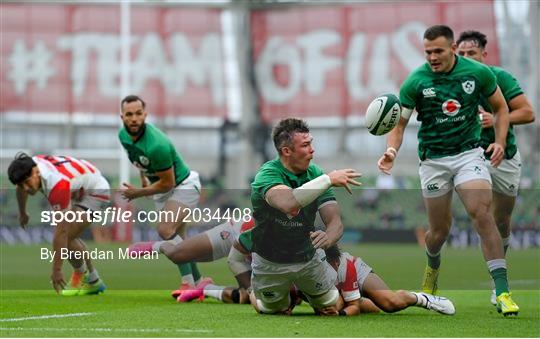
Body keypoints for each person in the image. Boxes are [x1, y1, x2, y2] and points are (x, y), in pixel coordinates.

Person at [377, 25, 518, 316]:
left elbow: (501, 108)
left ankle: (502, 292)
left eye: (438, 51)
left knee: (481, 213)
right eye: (428, 52)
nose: (432, 57)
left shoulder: (477, 73)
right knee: (439, 231)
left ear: (452, 49)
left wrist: (501, 142)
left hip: (469, 154)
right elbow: (399, 125)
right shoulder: (416, 81)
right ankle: (432, 268)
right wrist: (391, 151)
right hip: (433, 161)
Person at [249, 117, 361, 315]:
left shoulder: (315, 174)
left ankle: (301, 293)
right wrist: (327, 179)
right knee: (275, 310)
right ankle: (256, 294)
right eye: (306, 145)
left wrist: (328, 238)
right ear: (287, 151)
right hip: (270, 261)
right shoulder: (267, 174)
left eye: (311, 143)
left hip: (306, 259)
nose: (312, 150)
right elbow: (288, 203)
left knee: (331, 305)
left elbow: (335, 222)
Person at [456, 30, 536, 306]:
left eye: (471, 53)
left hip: (505, 157)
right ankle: (499, 284)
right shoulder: (451, 82)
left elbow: (528, 113)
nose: (466, 58)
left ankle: (497, 276)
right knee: (483, 213)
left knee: (502, 220)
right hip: (472, 156)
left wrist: (497, 118)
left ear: (483, 55)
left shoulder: (499, 78)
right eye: (462, 54)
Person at [119, 94, 205, 301]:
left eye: (138, 114)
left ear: (145, 115)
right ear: (122, 117)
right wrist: (144, 180)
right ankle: (200, 283)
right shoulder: (123, 136)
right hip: (162, 191)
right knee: (179, 242)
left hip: (183, 186)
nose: (134, 118)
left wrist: (138, 192)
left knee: (166, 231)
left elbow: (168, 182)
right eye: (129, 114)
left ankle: (187, 284)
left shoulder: (157, 144)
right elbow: (140, 162)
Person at [8, 153, 109, 296]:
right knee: (69, 237)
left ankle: (81, 275)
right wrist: (23, 212)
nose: (25, 188)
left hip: (95, 191)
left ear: (36, 172)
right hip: (79, 185)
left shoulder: (56, 183)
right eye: (20, 184)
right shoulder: (31, 167)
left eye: (27, 182)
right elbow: (20, 187)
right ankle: (93, 281)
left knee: (66, 236)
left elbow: (61, 231)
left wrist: (56, 270)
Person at [128, 217, 255, 303]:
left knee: (244, 298)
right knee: (177, 254)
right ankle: (158, 246)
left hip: (253, 253)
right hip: (235, 232)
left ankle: (206, 288)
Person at [325, 245, 455, 316]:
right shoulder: (306, 269)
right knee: (374, 309)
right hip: (337, 286)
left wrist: (340, 312)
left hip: (353, 271)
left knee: (390, 303)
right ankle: (358, 298)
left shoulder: (342, 265)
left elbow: (352, 307)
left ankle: (420, 299)